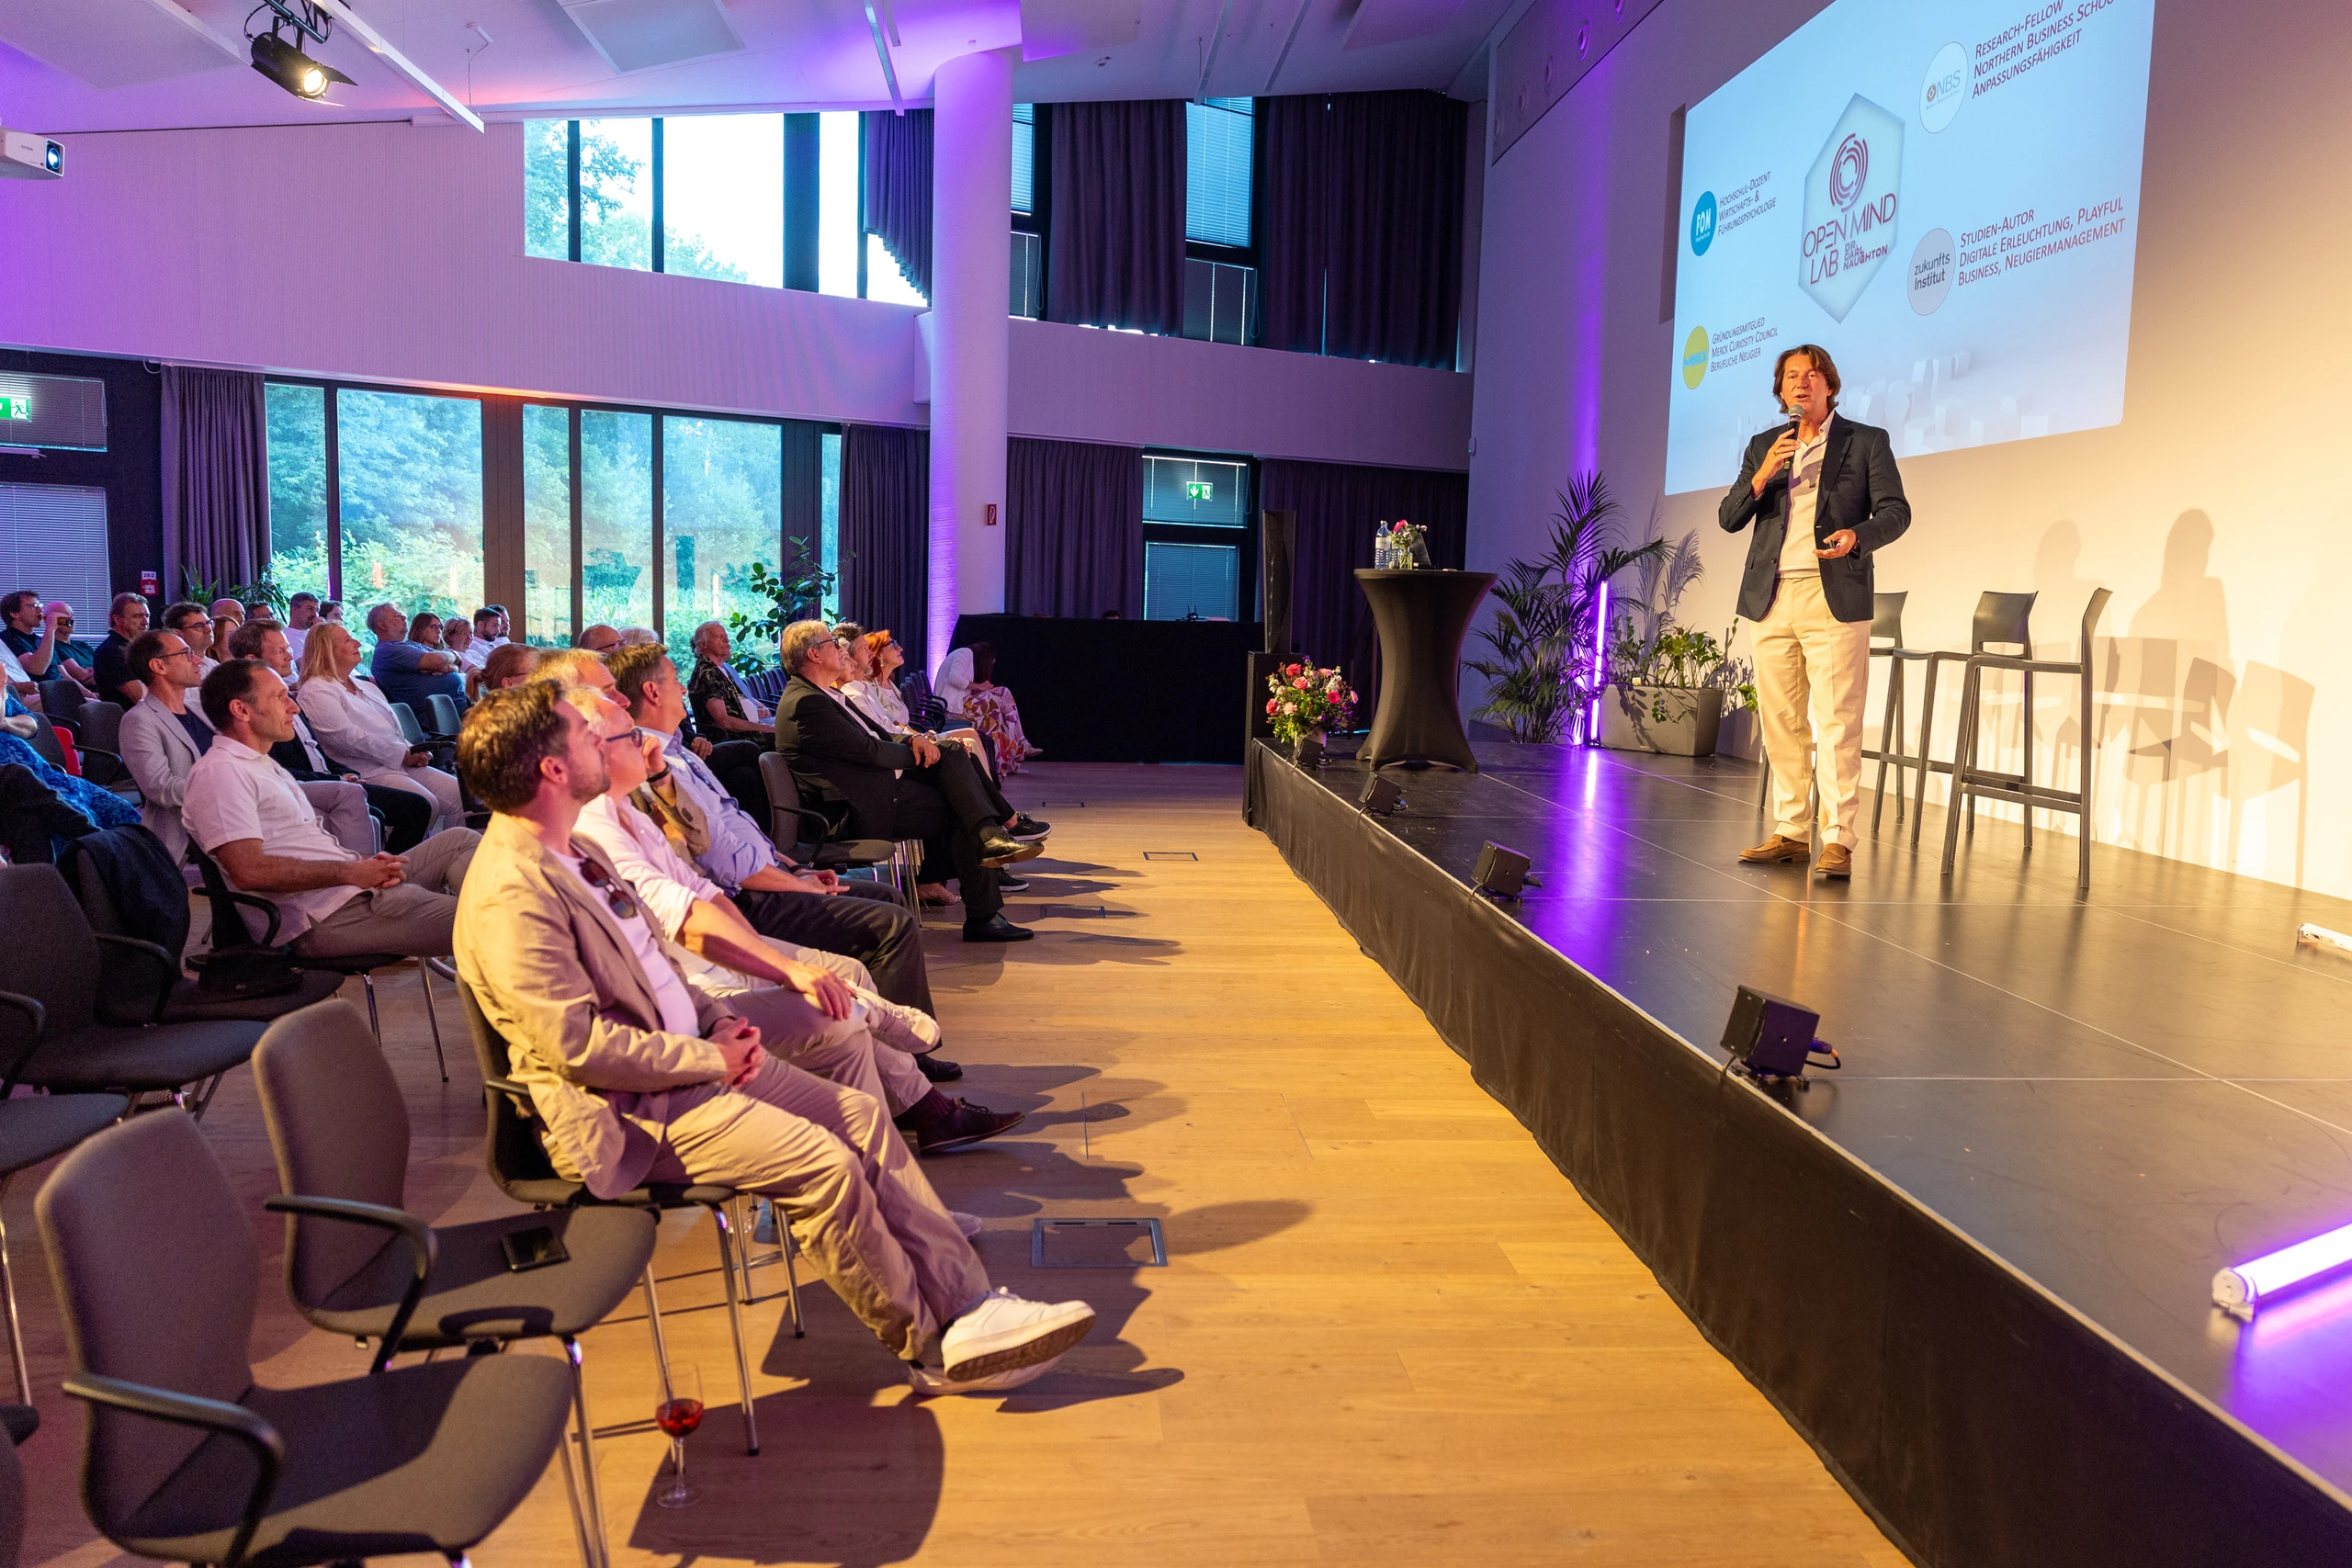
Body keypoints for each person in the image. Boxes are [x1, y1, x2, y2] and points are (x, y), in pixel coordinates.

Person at [451, 680, 1094, 1392]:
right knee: (825, 1162)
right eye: (587, 734)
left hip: (693, 1063)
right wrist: (709, 1054)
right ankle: (932, 1350)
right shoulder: (513, 892)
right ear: (553, 768)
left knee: (858, 1115)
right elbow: (580, 1048)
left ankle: (968, 1306)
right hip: (633, 1108)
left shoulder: (571, 847)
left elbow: (654, 971)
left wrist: (716, 1020)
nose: (608, 741)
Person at [571, 691, 1020, 1154]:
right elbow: (696, 897)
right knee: (853, 981)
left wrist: (794, 872)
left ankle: (908, 1114)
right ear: (587, 749)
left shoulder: (645, 793)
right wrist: (786, 962)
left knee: (851, 991)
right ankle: (894, 1056)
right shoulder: (599, 824)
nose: (643, 740)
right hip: (704, 964)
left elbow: (707, 867)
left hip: (728, 917)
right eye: (629, 735)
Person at [606, 641, 952, 1039]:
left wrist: (796, 868)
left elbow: (740, 831)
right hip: (743, 899)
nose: (684, 688)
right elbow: (723, 860)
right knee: (893, 923)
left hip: (767, 876)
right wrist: (796, 882)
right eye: (674, 680)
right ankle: (910, 1048)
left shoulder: (681, 753)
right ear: (652, 692)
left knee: (890, 898)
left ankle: (898, 1043)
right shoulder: (653, 765)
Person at [1719, 342, 1912, 880]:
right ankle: (1791, 831)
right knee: (1781, 722)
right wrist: (1761, 476)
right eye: (1790, 377)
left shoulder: (1866, 441)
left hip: (1833, 596)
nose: (1800, 384)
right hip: (1771, 597)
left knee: (1837, 721)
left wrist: (1858, 536)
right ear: (1780, 390)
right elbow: (1729, 517)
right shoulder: (1765, 446)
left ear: (1830, 384)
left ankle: (1838, 839)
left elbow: (1896, 512)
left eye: (1810, 375)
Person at [187, 659, 480, 958]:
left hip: (349, 892)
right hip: (327, 917)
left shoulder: (258, 765)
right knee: (500, 923)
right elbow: (250, 872)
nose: (293, 707)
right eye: (280, 697)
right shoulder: (221, 773)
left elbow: (302, 845)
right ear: (241, 710)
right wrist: (351, 871)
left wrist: (363, 865)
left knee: (461, 841)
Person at [775, 621, 1039, 943]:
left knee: (955, 762)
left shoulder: (823, 694)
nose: (839, 648)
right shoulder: (807, 702)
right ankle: (985, 885)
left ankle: (986, 856)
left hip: (872, 792)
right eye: (831, 642)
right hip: (853, 810)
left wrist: (913, 741)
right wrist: (919, 752)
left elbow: (879, 736)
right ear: (815, 654)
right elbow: (870, 750)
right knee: (962, 805)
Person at [230, 618, 434, 853]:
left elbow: (316, 751)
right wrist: (339, 778)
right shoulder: (255, 710)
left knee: (417, 805)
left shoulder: (288, 698)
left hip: (335, 776)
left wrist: (344, 773)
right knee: (415, 806)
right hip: (307, 785)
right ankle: (383, 870)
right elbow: (278, 767)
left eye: (288, 648)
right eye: (280, 651)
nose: (290, 656)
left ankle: (393, 868)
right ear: (252, 660)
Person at [295, 621, 467, 831]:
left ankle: (453, 849)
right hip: (367, 770)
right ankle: (414, 851)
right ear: (326, 651)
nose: (358, 643)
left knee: (462, 796)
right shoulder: (316, 690)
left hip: (398, 763)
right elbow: (347, 739)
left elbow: (392, 729)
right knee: (426, 803)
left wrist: (414, 751)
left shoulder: (365, 686)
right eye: (348, 640)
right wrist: (402, 754)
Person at [116, 628, 215, 860]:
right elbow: (159, 787)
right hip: (189, 833)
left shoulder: (200, 710)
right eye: (186, 654)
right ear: (158, 666)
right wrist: (222, 789)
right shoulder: (139, 720)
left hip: (228, 815)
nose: (197, 660)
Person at [366, 603, 466, 714]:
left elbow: (456, 666)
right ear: (382, 625)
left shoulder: (411, 645)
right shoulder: (387, 650)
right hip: (441, 715)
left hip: (458, 704)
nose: (404, 617)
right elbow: (438, 660)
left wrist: (448, 668)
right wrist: (453, 655)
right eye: (397, 615)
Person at [955, 643, 1039, 773]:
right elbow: (956, 681)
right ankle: (1020, 746)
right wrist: (980, 687)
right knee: (1002, 697)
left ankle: (1010, 759)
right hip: (960, 707)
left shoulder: (968, 663)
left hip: (967, 703)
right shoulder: (965, 658)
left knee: (1000, 713)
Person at [91, 592, 151, 708]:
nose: (145, 622)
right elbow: (141, 697)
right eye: (137, 616)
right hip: (130, 716)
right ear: (118, 619)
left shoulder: (141, 648)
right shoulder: (111, 652)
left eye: (147, 616)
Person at [0, 592, 68, 680]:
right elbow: (37, 669)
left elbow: (64, 675)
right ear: (14, 614)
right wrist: (50, 629)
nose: (40, 610)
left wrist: (82, 689)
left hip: (61, 686)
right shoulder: (7, 639)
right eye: (34, 606)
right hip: (41, 688)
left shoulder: (42, 640)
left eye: (40, 606)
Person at [158, 603, 216, 680]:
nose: (209, 629)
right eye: (198, 626)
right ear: (177, 633)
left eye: (209, 623)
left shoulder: (215, 666)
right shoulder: (172, 670)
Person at [282, 592, 321, 661]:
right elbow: (304, 665)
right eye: (310, 609)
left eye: (317, 611)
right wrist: (319, 632)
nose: (315, 615)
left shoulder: (309, 634)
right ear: (294, 609)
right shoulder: (287, 637)